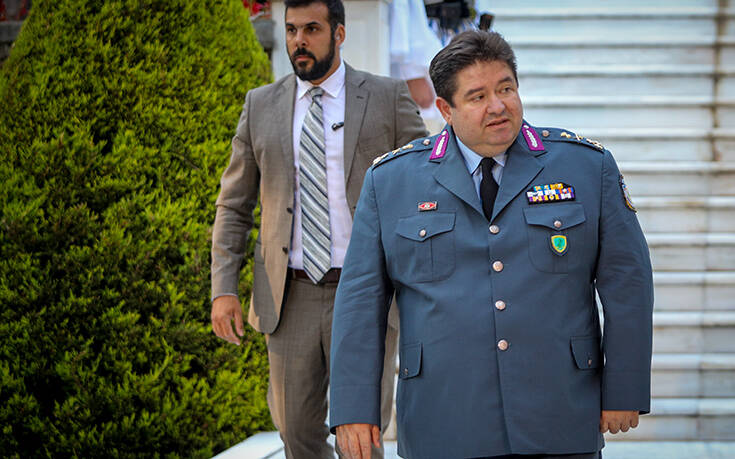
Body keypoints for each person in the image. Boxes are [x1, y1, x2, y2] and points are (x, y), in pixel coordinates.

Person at [329, 30, 653, 459]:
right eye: (478, 96)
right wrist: (353, 406)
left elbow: (628, 282)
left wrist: (624, 386)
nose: (498, 106)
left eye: (506, 89)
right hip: (443, 418)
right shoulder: (391, 181)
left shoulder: (586, 167)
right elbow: (360, 301)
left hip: (559, 413)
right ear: (445, 109)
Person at [209, 0, 427, 457]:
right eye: (291, 30)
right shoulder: (260, 105)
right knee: (296, 434)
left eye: (311, 29)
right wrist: (223, 288)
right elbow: (234, 204)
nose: (299, 41)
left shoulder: (387, 97)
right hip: (290, 295)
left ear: (339, 33)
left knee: (362, 436)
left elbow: (424, 186)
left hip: (366, 291)